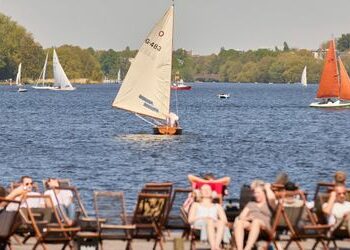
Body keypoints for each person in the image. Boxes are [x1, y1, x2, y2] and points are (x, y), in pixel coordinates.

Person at [234, 180, 276, 250]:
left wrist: (267, 188)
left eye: (258, 193)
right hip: (252, 225)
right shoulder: (251, 204)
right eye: (255, 193)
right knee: (239, 223)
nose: (256, 195)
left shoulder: (269, 204)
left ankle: (247, 248)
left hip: (266, 227)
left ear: (264, 193)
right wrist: (248, 218)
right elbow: (241, 216)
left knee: (256, 221)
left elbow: (272, 198)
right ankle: (239, 248)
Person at [188, 184, 231, 250]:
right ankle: (214, 247)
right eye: (204, 190)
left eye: (208, 189)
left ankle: (215, 246)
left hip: (214, 223)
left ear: (212, 192)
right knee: (209, 221)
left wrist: (214, 220)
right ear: (200, 192)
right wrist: (203, 218)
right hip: (199, 225)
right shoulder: (196, 205)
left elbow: (225, 221)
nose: (206, 191)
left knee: (220, 222)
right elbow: (190, 220)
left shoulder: (217, 206)